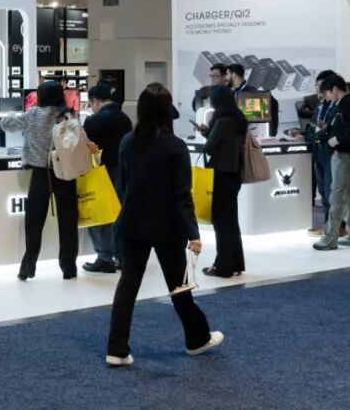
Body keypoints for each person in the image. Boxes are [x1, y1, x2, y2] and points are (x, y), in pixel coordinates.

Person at [106, 83, 223, 366]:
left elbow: (123, 187)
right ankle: (197, 338)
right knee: (179, 286)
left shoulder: (127, 142)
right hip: (167, 227)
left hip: (132, 223)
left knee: (127, 286)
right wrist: (193, 233)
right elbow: (183, 195)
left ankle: (116, 349)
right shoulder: (175, 147)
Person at [1, 81, 78, 281]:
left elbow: (6, 124)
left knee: (33, 222)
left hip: (41, 173)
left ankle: (27, 267)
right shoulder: (69, 115)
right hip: (66, 172)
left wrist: (10, 112)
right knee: (68, 222)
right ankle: (69, 269)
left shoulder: (33, 114)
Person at [82, 82, 133, 274]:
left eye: (90, 104)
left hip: (101, 173)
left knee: (100, 215)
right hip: (123, 171)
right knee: (119, 214)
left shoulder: (93, 121)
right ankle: (121, 256)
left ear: (95, 101)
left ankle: (104, 258)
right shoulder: (125, 119)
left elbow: (85, 148)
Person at [199, 85, 247, 277]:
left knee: (221, 223)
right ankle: (235, 263)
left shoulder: (222, 122)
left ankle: (223, 266)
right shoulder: (238, 119)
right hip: (234, 175)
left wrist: (207, 134)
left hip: (220, 175)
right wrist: (208, 132)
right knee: (231, 222)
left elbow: (209, 148)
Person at [294, 70, 343, 236]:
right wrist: (303, 134)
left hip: (332, 152)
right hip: (318, 151)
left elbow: (337, 130)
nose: (320, 91)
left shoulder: (339, 106)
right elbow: (313, 126)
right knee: (323, 191)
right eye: (317, 86)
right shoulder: (321, 105)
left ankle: (336, 228)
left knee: (332, 192)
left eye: (322, 87)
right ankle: (329, 226)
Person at [313, 74, 350, 251]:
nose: (327, 97)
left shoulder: (345, 104)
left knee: (336, 196)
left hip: (343, 155)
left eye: (327, 93)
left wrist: (333, 140)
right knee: (346, 196)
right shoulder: (343, 105)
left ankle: (329, 238)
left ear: (335, 89)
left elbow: (347, 132)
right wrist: (330, 129)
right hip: (344, 154)